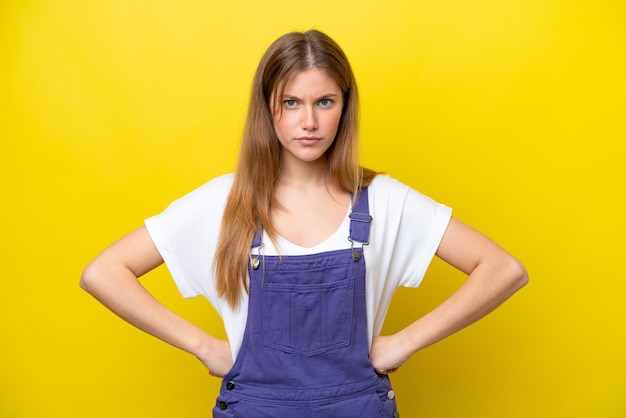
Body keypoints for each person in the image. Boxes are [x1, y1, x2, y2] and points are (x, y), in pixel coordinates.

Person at [80, 29, 528, 417]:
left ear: (344, 108)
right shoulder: (225, 201)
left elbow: (503, 269)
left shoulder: (385, 200)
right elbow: (103, 273)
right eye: (291, 102)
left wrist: (405, 341)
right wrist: (204, 346)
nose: (308, 121)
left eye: (324, 102)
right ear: (267, 109)